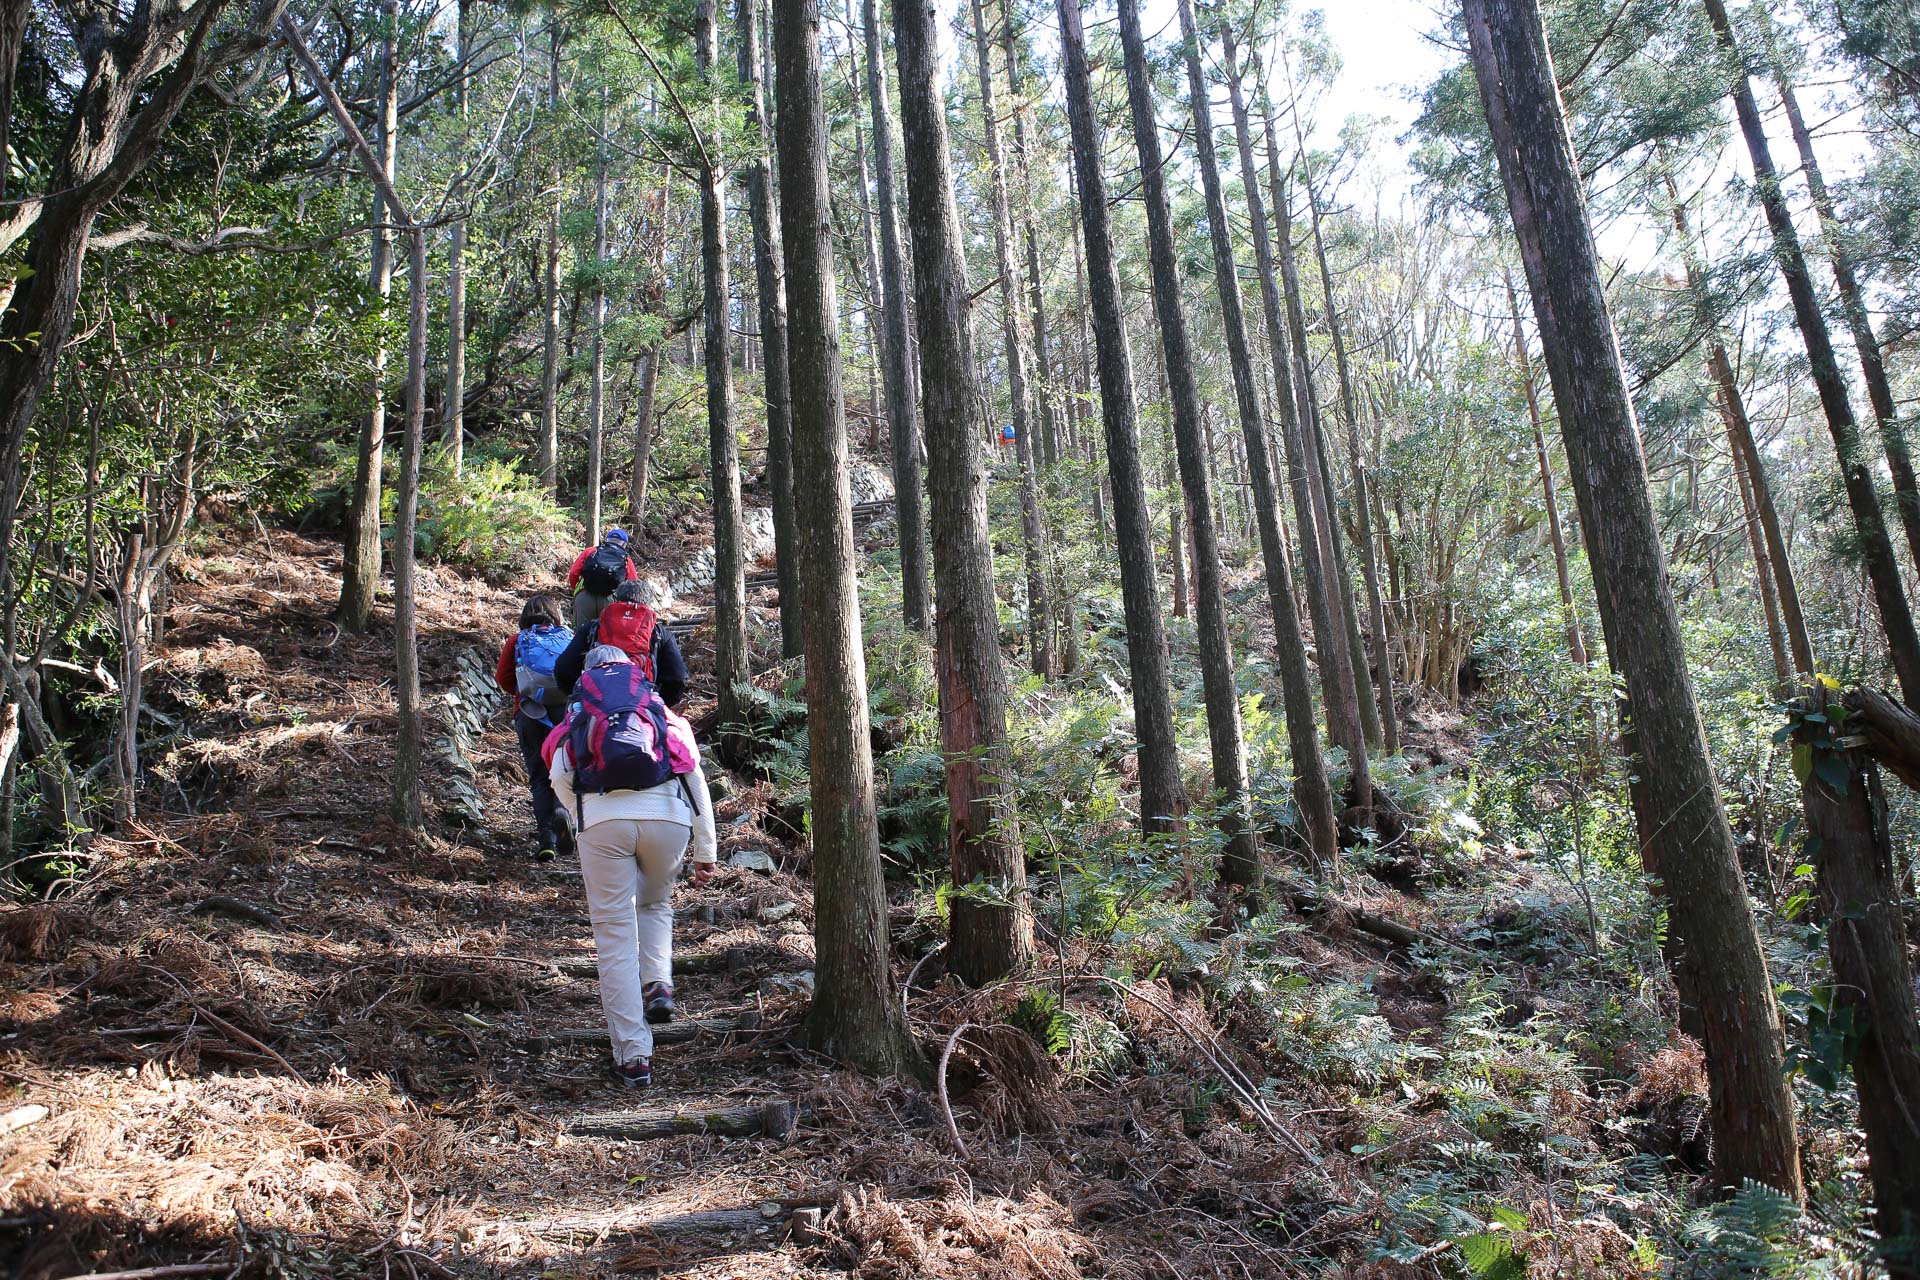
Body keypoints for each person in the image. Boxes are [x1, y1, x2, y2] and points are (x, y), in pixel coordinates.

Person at [548, 644, 717, 1089]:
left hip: (604, 823)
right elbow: (693, 777)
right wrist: (706, 851)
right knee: (657, 904)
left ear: (588, 674)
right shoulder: (657, 708)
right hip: (668, 819)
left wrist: (580, 815)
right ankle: (658, 982)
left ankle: (633, 1055)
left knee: (615, 937)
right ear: (634, 672)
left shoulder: (581, 709)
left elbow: (558, 774)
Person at [493, 594, 572, 861]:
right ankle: (563, 811)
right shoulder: (567, 637)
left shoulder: (518, 640)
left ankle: (546, 841)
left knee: (539, 778)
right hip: (563, 713)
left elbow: (502, 678)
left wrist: (524, 689)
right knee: (564, 768)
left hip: (530, 712)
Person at [555, 577, 689, 707]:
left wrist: (582, 696)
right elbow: (679, 678)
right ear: (648, 604)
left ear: (616, 600)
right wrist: (658, 704)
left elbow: (563, 668)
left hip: (597, 703)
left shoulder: (593, 628)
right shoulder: (659, 633)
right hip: (640, 705)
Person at [567, 528, 639, 628]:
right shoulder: (626, 560)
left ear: (606, 540)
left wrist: (576, 590)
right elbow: (634, 587)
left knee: (582, 636)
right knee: (607, 637)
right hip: (610, 600)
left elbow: (573, 574)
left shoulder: (590, 551)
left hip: (584, 596)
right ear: (625, 544)